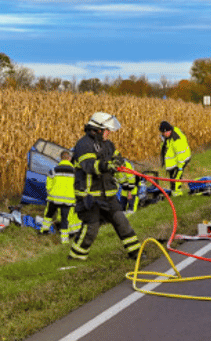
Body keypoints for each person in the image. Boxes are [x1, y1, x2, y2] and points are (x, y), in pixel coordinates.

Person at [68, 112, 141, 261]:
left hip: (109, 195)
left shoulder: (108, 144)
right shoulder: (84, 144)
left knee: (122, 222)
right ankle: (75, 258)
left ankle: (136, 254)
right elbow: (88, 166)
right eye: (107, 130)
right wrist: (107, 165)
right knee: (91, 230)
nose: (109, 133)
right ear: (97, 130)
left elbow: (117, 159)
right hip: (90, 196)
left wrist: (122, 172)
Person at [40, 150, 76, 243]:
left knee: (48, 215)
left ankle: (44, 231)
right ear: (69, 158)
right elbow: (78, 185)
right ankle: (64, 240)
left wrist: (50, 193)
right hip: (68, 200)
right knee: (65, 219)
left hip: (54, 198)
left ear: (61, 158)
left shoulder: (53, 170)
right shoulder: (75, 172)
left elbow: (48, 184)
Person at [160, 120, 191, 197]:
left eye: (164, 132)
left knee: (176, 176)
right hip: (174, 159)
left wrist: (180, 167)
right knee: (172, 176)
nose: (163, 134)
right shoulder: (169, 135)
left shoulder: (176, 139)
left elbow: (181, 155)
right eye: (162, 133)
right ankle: (174, 191)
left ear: (168, 131)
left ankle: (177, 193)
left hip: (182, 158)